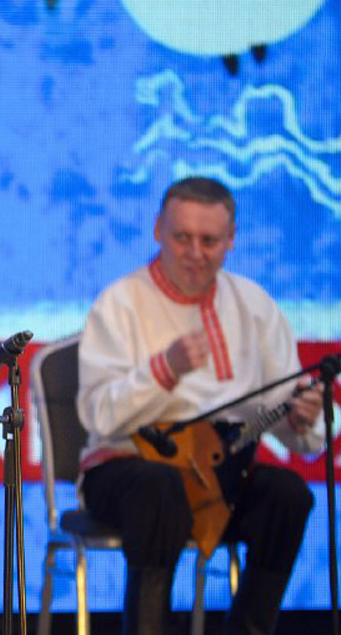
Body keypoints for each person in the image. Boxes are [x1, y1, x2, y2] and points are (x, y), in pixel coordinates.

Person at [76, 177, 326, 635]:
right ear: (157, 230)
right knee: (159, 487)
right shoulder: (119, 303)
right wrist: (164, 369)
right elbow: (98, 416)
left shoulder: (254, 305)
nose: (195, 253)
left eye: (209, 241)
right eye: (182, 238)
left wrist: (303, 419)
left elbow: (301, 434)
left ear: (231, 240)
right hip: (130, 470)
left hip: (219, 473)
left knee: (288, 495)